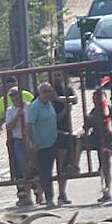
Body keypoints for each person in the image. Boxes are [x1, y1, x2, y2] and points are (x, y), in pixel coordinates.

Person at [26, 83, 60, 207]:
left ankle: (71, 165)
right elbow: (29, 125)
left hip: (52, 140)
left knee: (72, 140)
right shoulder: (35, 106)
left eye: (49, 91)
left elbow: (54, 119)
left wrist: (67, 109)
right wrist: (34, 142)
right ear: (39, 93)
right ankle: (49, 198)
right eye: (44, 91)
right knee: (46, 173)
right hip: (41, 145)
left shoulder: (50, 104)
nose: (47, 94)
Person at [49, 70, 77, 205]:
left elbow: (75, 99)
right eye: (55, 74)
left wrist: (59, 99)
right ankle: (44, 195)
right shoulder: (46, 89)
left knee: (62, 165)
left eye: (59, 74)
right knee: (46, 166)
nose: (57, 77)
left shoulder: (67, 89)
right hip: (47, 132)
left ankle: (62, 193)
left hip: (64, 129)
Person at [2, 88, 34, 207]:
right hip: (18, 140)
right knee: (21, 167)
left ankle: (36, 192)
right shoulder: (10, 110)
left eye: (17, 97)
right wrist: (17, 115)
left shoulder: (29, 106)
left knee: (33, 165)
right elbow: (9, 127)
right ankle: (24, 195)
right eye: (13, 98)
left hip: (30, 139)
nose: (15, 100)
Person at [85, 89, 112, 203]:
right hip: (97, 140)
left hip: (107, 140)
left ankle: (108, 191)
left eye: (99, 97)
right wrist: (88, 119)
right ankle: (105, 191)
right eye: (94, 97)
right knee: (102, 166)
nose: (96, 99)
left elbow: (109, 122)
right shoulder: (94, 110)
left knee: (106, 166)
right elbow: (86, 126)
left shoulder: (108, 109)